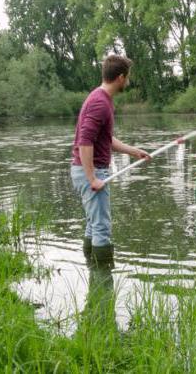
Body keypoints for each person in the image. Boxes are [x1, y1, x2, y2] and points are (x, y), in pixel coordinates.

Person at [70, 55, 151, 266]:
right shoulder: (100, 103)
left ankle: (92, 275)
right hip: (90, 172)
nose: (128, 82)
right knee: (102, 227)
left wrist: (134, 151)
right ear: (121, 77)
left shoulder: (100, 98)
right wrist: (92, 178)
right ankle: (103, 283)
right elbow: (84, 141)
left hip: (87, 170)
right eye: (128, 78)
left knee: (93, 224)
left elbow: (105, 139)